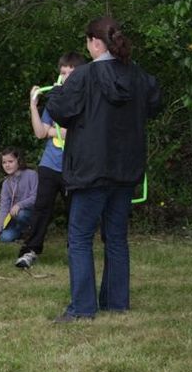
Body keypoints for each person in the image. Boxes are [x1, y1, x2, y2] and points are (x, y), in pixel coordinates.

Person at [46, 17, 161, 322]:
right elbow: (154, 103)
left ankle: (83, 308)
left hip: (91, 169)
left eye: (87, 42)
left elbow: (61, 111)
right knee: (116, 236)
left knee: (80, 237)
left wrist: (56, 91)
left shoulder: (83, 77)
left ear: (94, 43)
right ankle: (115, 301)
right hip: (125, 168)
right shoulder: (138, 77)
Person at [15, 52, 85, 269]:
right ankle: (30, 251)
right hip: (50, 165)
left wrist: (54, 132)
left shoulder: (86, 101)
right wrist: (33, 106)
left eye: (71, 73)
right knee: (41, 207)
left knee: (76, 208)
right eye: (63, 73)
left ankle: (76, 250)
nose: (66, 77)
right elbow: (39, 132)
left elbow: (77, 132)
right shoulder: (54, 101)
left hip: (75, 166)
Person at [0, 148, 37, 242]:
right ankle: (22, 232)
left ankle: (32, 230)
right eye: (4, 162)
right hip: (15, 218)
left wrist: (19, 205)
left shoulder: (31, 175)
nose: (7, 165)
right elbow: (4, 208)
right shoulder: (6, 183)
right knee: (5, 238)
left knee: (21, 214)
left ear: (18, 161)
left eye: (10, 161)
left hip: (30, 213)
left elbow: (36, 197)